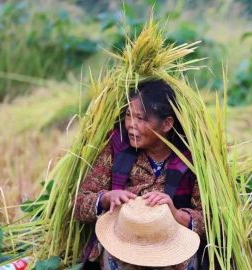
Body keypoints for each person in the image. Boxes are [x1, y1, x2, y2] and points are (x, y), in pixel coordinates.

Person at [74, 79, 204, 270]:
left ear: (166, 124)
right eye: (128, 116)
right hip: (122, 246)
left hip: (170, 251)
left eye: (141, 119)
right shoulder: (117, 149)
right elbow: (78, 204)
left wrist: (176, 214)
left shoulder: (190, 160)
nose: (131, 125)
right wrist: (106, 198)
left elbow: (209, 219)